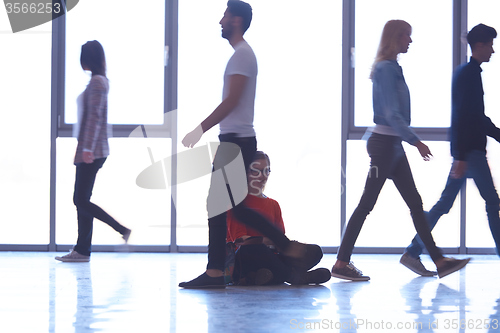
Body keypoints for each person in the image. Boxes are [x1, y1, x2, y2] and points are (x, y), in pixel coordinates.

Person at [179, 1, 311, 289]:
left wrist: (200, 128)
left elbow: (233, 100)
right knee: (228, 207)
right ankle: (220, 270)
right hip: (235, 140)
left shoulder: (242, 56)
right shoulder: (241, 55)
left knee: (221, 206)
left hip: (236, 141)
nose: (221, 21)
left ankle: (272, 250)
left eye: (225, 16)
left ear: (236, 20)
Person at [330, 20, 470, 281]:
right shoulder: (385, 69)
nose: (410, 41)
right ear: (395, 37)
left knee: (415, 204)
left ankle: (439, 261)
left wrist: (407, 140)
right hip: (384, 147)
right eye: (407, 35)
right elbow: (391, 113)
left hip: (392, 146)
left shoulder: (392, 67)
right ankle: (340, 263)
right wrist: (415, 141)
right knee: (366, 205)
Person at [400, 24, 500, 276]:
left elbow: (468, 117)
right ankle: (412, 251)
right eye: (490, 44)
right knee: (491, 202)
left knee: (445, 204)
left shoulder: (465, 73)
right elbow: (468, 118)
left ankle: (413, 251)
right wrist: (462, 156)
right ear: (479, 45)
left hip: (469, 153)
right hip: (471, 154)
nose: (493, 50)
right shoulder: (469, 74)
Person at [56, 41, 131, 262]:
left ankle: (120, 229)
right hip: (89, 149)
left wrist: (87, 148)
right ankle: (82, 250)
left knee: (80, 199)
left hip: (92, 151)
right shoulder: (97, 81)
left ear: (88, 59)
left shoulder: (98, 83)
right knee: (82, 199)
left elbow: (94, 118)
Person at [227, 151, 331, 285]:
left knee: (315, 251)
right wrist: (273, 241)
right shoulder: (237, 204)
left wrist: (291, 247)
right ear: (246, 172)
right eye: (256, 171)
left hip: (272, 256)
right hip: (245, 258)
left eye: (266, 171)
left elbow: (280, 240)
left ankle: (265, 276)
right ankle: (295, 276)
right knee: (255, 249)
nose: (262, 176)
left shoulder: (273, 204)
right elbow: (241, 241)